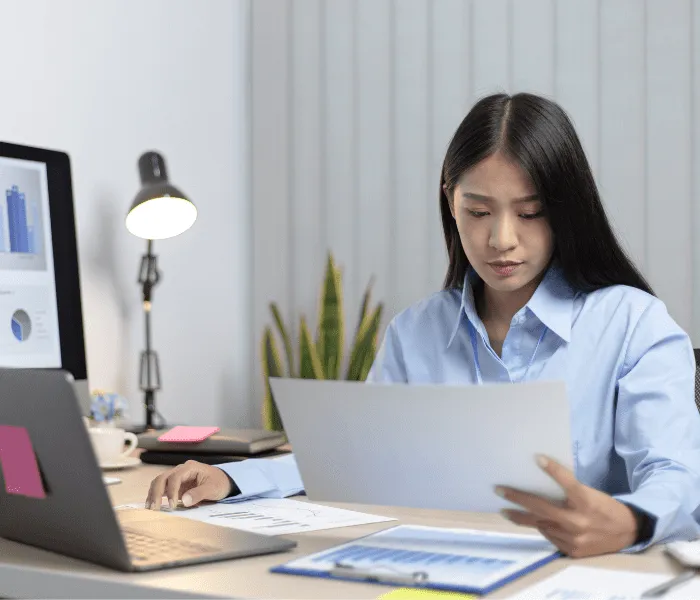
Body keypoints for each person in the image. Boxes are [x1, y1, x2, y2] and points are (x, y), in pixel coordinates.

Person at [145, 92, 700, 558]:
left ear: (566, 211)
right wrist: (234, 480)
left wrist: (629, 522)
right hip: (440, 571)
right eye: (477, 212)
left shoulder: (633, 324)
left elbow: (675, 473)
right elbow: (353, 460)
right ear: (449, 202)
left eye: (529, 213)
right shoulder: (416, 334)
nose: (501, 239)